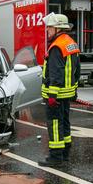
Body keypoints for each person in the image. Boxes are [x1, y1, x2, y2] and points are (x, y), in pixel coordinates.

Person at [39, 13, 80, 167]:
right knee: (64, 123)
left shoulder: (56, 46)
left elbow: (56, 73)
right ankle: (65, 154)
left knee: (55, 124)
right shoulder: (70, 43)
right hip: (67, 93)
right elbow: (76, 71)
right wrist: (74, 91)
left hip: (56, 95)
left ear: (57, 28)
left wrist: (52, 96)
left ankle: (56, 157)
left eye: (49, 27)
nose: (47, 30)